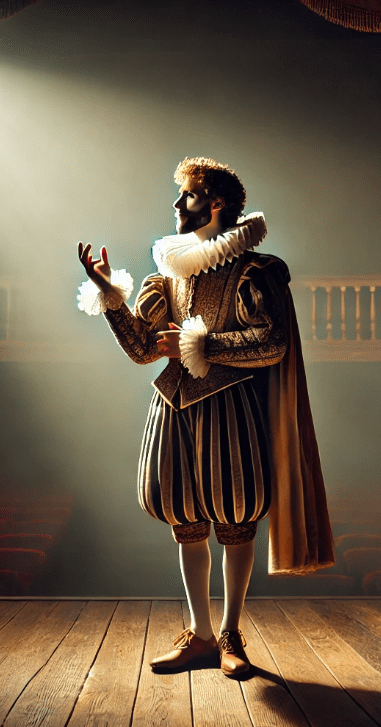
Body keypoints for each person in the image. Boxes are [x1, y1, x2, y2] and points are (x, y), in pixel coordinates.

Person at [77, 157, 333, 678]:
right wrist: (109, 295)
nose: (176, 205)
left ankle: (232, 635)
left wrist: (203, 344)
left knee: (235, 518)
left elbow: (273, 342)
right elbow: (143, 350)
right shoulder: (164, 277)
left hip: (229, 404)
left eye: (188, 196)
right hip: (171, 404)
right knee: (185, 519)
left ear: (216, 203)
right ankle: (200, 634)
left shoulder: (255, 271)